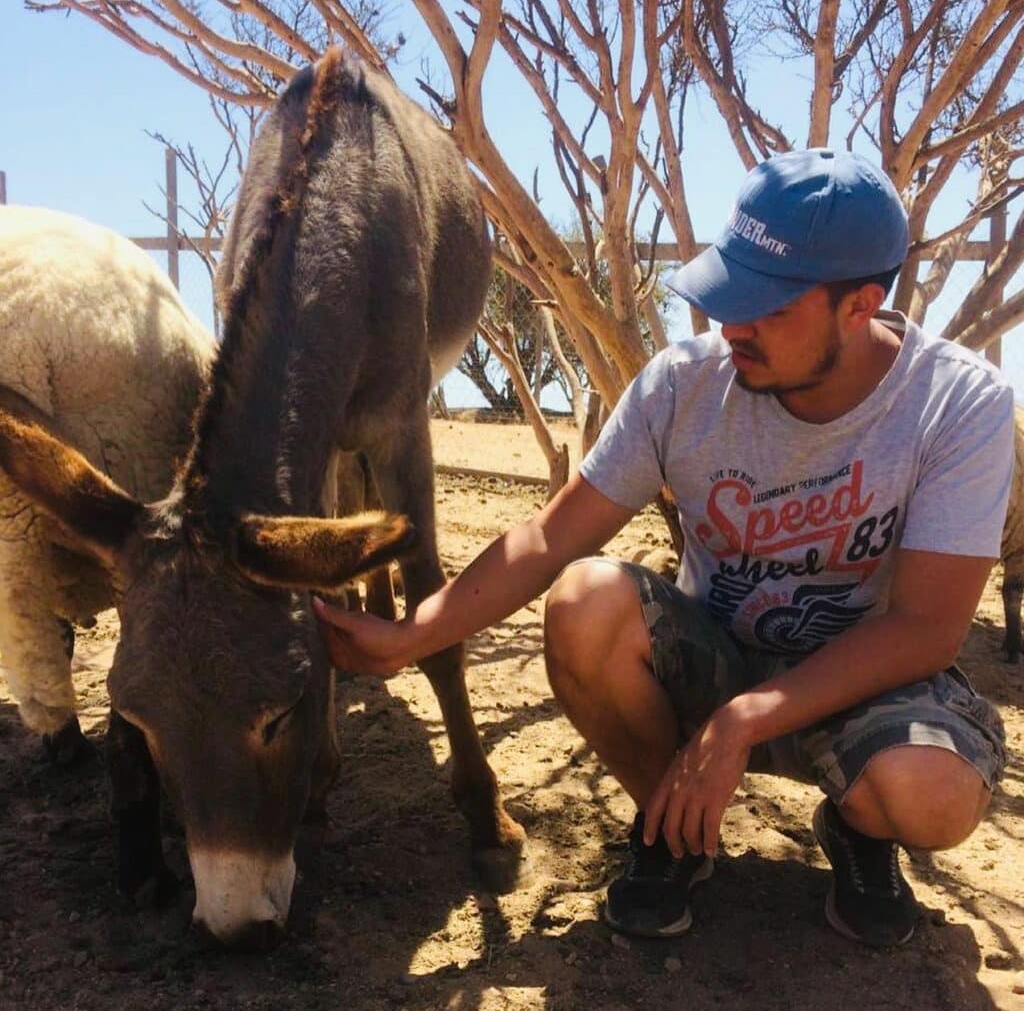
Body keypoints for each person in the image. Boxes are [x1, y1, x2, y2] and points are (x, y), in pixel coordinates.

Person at [314, 148, 1013, 949]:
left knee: (934, 795)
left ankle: (860, 832)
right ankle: (672, 831)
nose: (730, 328)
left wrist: (749, 719)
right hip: (712, 656)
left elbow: (928, 628)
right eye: (728, 295)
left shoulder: (958, 402)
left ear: (859, 307)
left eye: (766, 309)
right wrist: (413, 636)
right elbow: (549, 537)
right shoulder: (683, 385)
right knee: (584, 601)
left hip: (857, 676)